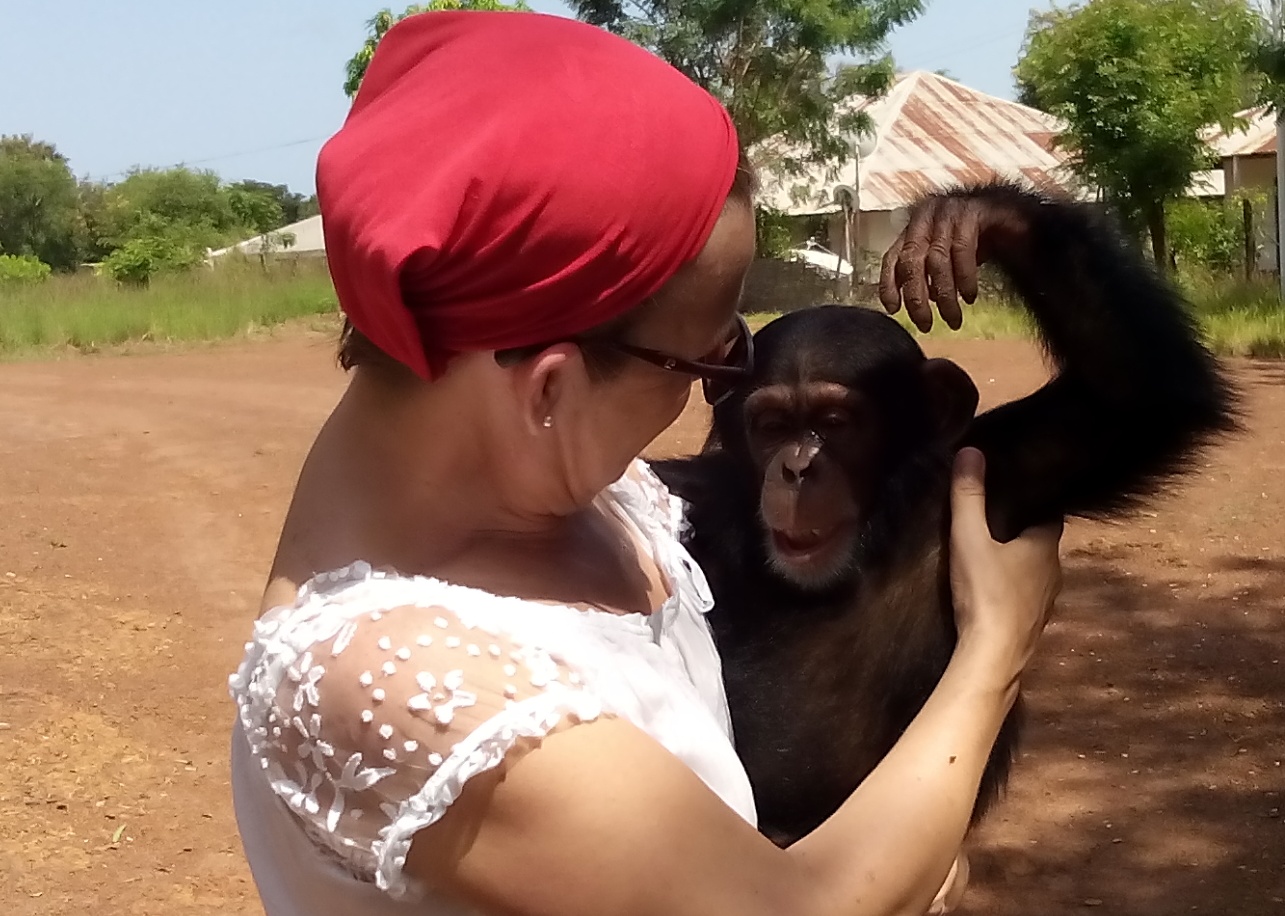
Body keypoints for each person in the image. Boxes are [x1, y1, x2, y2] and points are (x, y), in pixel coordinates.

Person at [227, 10, 1063, 916]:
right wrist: (994, 653)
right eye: (710, 359)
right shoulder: (394, 684)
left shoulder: (593, 494)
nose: (726, 384)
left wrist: (890, 854)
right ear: (548, 390)